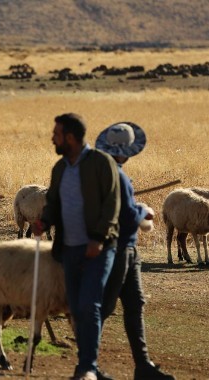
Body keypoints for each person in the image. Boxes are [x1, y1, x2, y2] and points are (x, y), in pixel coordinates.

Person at [33, 113, 120, 380]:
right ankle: (87, 365)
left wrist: (97, 239)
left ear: (70, 138)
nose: (53, 138)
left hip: (97, 248)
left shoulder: (101, 163)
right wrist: (44, 221)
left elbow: (111, 204)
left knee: (89, 305)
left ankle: (87, 368)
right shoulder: (60, 168)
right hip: (68, 250)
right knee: (74, 307)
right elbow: (54, 203)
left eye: (56, 134)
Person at [95, 122, 175, 380]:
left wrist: (134, 207)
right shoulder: (115, 175)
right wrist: (144, 211)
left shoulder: (107, 172)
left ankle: (143, 365)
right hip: (117, 249)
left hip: (127, 249)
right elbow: (128, 217)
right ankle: (88, 365)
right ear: (126, 150)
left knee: (134, 304)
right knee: (105, 306)